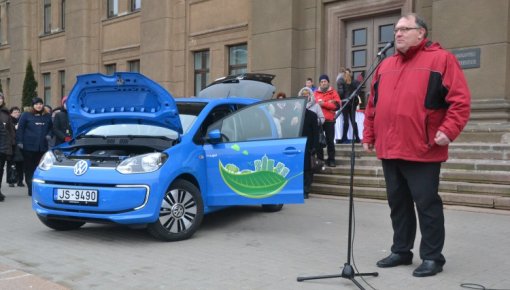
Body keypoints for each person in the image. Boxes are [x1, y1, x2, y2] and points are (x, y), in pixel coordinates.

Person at [363, 13, 471, 277]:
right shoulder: (385, 65)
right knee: (397, 203)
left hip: (423, 148)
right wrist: (369, 135)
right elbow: (372, 105)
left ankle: (433, 257)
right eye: (396, 30)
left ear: (421, 33)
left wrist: (448, 130)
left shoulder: (441, 60)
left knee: (427, 204)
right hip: (390, 148)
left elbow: (460, 101)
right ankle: (401, 250)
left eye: (404, 29)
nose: (397, 33)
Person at [16, 97, 53, 196]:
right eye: (36, 104)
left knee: (39, 168)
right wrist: (19, 141)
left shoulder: (47, 116)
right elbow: (20, 129)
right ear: (33, 105)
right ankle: (31, 188)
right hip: (28, 147)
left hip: (42, 147)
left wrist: (49, 134)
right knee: (29, 168)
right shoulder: (26, 115)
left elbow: (51, 128)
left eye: (40, 104)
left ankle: (38, 188)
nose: (39, 106)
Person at [298, 87, 324, 198]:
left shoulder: (312, 115)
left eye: (306, 94)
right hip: (297, 145)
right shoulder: (295, 113)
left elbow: (315, 132)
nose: (305, 96)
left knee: (307, 169)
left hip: (308, 146)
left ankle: (306, 190)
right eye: (302, 95)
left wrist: (314, 147)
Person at [315, 74, 341, 167]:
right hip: (318, 122)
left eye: (325, 81)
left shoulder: (333, 92)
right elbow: (313, 105)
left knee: (330, 141)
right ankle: (320, 160)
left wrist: (323, 104)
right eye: (321, 82)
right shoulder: (315, 93)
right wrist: (329, 103)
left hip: (329, 121)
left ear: (328, 82)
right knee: (318, 142)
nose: (323, 83)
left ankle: (331, 160)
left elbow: (337, 106)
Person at [0, 93, 16, 202]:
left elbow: (11, 131)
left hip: (3, 146)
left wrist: (11, 144)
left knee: (0, 169)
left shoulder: (6, 113)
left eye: (0, 98)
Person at [339, 69, 361, 144]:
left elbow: (341, 94)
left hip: (347, 103)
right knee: (352, 121)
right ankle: (356, 138)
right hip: (350, 103)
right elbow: (358, 91)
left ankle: (345, 138)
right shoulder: (354, 82)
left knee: (347, 121)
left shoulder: (345, 82)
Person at [6, 106, 24, 188]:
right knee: (11, 163)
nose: (17, 114)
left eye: (18, 112)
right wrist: (14, 128)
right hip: (11, 145)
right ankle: (11, 180)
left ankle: (20, 180)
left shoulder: (21, 121)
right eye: (15, 112)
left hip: (20, 145)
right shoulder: (9, 121)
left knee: (21, 163)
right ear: (11, 113)